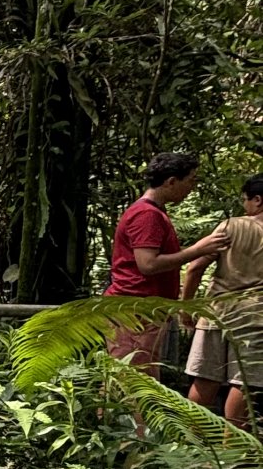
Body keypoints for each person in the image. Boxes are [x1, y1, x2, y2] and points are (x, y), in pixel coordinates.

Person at [104, 152, 225, 371]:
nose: (192, 188)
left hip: (143, 311)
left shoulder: (153, 212)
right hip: (136, 311)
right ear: (171, 181)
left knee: (138, 381)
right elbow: (148, 264)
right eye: (190, 181)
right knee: (133, 383)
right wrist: (199, 249)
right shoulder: (146, 215)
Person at [181, 174, 263, 424]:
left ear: (257, 200)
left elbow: (195, 267)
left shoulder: (230, 226)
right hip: (256, 317)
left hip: (215, 312)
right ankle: (232, 454)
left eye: (245, 200)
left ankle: (189, 444)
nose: (244, 206)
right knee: (244, 383)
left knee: (205, 378)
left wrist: (186, 307)